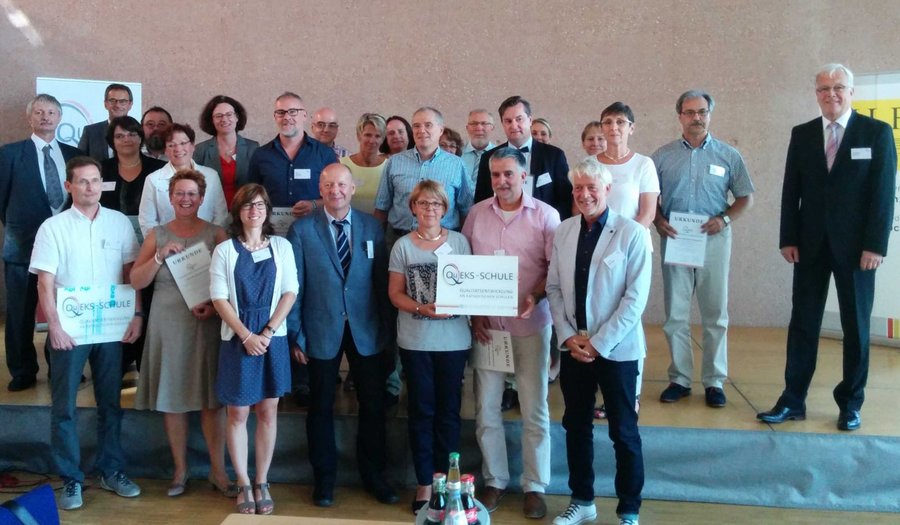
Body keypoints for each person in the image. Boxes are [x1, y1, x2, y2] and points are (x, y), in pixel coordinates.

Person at [758, 64, 897, 431]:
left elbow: (883, 196)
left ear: (851, 92)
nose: (830, 94)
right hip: (809, 245)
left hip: (857, 251)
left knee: (856, 327)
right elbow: (791, 189)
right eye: (823, 88)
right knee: (803, 323)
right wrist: (788, 237)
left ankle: (850, 403)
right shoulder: (802, 134)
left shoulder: (877, 133)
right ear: (816, 94)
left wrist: (875, 245)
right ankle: (793, 400)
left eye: (838, 87)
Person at [30, 156, 143, 510]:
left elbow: (131, 274)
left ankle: (111, 470)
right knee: (64, 407)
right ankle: (70, 478)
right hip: (70, 331)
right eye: (82, 181)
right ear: (69, 186)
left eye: (95, 180)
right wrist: (54, 327)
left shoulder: (119, 222)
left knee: (111, 404)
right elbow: (44, 283)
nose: (90, 187)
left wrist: (137, 314)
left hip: (111, 329)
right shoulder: (53, 227)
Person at [546, 157, 650, 525]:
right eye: (578, 188)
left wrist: (599, 343)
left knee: (624, 431)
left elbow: (635, 299)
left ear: (608, 189)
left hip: (618, 350)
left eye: (592, 187)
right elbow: (553, 288)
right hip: (574, 347)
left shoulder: (632, 233)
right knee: (576, 426)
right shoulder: (564, 231)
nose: (585, 194)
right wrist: (567, 335)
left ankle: (629, 510)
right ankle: (582, 500)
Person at [287, 163, 397, 508]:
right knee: (320, 406)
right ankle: (324, 480)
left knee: (373, 406)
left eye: (341, 185)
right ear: (320, 190)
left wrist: (388, 331)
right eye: (328, 185)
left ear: (352, 189)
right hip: (319, 329)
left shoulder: (372, 227)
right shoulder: (301, 230)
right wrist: (296, 333)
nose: (335, 191)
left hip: (367, 329)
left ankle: (374, 476)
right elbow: (294, 286)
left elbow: (381, 283)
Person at [462, 147, 560, 519]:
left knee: (535, 409)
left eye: (508, 174)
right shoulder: (476, 214)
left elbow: (555, 268)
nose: (501, 181)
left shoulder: (546, 216)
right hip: (488, 328)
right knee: (486, 408)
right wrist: (474, 314)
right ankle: (495, 480)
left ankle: (534, 486)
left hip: (530, 325)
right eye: (495, 175)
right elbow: (465, 266)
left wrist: (536, 296)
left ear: (523, 176)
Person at [131, 170, 233, 498]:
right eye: (180, 193)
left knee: (211, 401)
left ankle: (218, 471)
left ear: (202, 198)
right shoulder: (156, 235)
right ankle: (180, 470)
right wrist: (159, 257)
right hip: (167, 324)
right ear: (170, 197)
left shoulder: (217, 234)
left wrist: (214, 308)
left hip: (206, 323)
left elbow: (233, 281)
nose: (186, 199)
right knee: (172, 399)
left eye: (192, 194)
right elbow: (137, 281)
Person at [652, 91, 755, 408]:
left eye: (702, 112)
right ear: (679, 116)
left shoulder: (728, 155)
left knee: (715, 314)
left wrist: (724, 219)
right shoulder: (662, 156)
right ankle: (680, 379)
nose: (696, 117)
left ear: (710, 114)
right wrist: (658, 220)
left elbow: (745, 197)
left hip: (714, 240)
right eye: (689, 112)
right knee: (676, 314)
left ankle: (714, 381)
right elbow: (649, 197)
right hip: (676, 239)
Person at [374, 107, 473, 406]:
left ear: (441, 130)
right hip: (400, 242)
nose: (422, 131)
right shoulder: (395, 163)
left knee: (442, 312)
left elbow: (466, 210)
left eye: (429, 125)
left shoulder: (456, 165)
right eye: (416, 126)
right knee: (397, 311)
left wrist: (461, 248)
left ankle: (449, 373)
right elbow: (382, 208)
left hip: (445, 247)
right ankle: (394, 380)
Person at [211, 184, 298, 514]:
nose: (254, 211)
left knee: (268, 411)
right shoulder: (225, 250)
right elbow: (219, 298)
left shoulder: (282, 246)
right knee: (237, 413)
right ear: (238, 211)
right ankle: (243, 482)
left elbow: (290, 291)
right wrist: (247, 336)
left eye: (260, 205)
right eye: (248, 205)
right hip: (238, 339)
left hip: (272, 338)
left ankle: (262, 480)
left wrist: (268, 331)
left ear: (267, 210)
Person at [247, 91, 337, 407]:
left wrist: (314, 203)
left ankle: (302, 379)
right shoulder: (261, 156)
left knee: (305, 299)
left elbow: (336, 194)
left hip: (312, 239)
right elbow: (251, 196)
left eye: (293, 111)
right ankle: (272, 375)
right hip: (269, 241)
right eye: (281, 112)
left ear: (304, 115)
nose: (287, 117)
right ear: (275, 117)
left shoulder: (323, 154)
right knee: (273, 301)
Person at [387, 180, 472, 514]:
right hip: (416, 341)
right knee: (421, 410)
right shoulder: (402, 246)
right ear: (413, 207)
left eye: (436, 204)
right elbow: (395, 294)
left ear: (445, 209)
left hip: (454, 342)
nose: (429, 209)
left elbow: (471, 286)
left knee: (449, 412)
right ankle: (425, 481)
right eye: (423, 203)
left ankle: (448, 481)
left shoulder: (460, 242)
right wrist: (422, 308)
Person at [0, 94, 81, 391]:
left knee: (65, 308)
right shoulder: (9, 154)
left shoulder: (75, 154)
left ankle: (61, 364)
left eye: (51, 112)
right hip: (23, 245)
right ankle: (23, 370)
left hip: (67, 246)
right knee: (21, 312)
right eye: (39, 112)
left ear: (60, 118)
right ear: (29, 117)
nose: (45, 117)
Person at [595, 102, 660, 417]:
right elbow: (582, 208)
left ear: (631, 128)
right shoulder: (590, 164)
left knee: (629, 319)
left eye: (621, 122)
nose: (614, 127)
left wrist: (620, 247)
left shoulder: (643, 164)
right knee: (600, 317)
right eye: (608, 122)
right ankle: (603, 392)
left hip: (632, 251)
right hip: (597, 253)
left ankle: (630, 394)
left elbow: (647, 213)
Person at [100, 115, 166, 375]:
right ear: (112, 141)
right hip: (109, 251)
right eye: (119, 135)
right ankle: (116, 364)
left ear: (141, 138)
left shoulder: (157, 169)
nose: (126, 139)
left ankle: (144, 365)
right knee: (117, 303)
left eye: (132, 134)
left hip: (150, 249)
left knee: (146, 303)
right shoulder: (100, 169)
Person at [138, 123, 228, 237]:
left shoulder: (211, 176)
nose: (178, 149)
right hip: (168, 244)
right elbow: (147, 220)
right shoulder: (153, 180)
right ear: (165, 150)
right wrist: (163, 243)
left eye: (183, 143)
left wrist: (210, 240)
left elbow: (221, 215)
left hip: (208, 242)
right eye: (171, 145)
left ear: (193, 146)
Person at [194, 95, 260, 208]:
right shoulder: (200, 150)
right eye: (218, 116)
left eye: (229, 114)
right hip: (211, 212)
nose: (224, 119)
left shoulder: (253, 148)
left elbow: (259, 185)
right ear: (212, 120)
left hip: (245, 211)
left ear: (237, 117)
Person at [340, 112, 388, 214]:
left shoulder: (389, 167)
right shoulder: (342, 165)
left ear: (383, 139)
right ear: (359, 136)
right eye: (368, 135)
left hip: (380, 223)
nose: (372, 140)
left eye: (377, 136)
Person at [79, 83, 133, 162]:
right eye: (112, 101)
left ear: (130, 104)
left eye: (122, 101)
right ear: (105, 104)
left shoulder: (139, 132)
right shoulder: (90, 132)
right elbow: (79, 162)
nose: (117, 105)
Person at [461, 109, 496, 186]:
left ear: (492, 127)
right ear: (467, 128)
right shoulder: (457, 154)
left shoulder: (500, 155)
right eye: (474, 123)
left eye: (484, 123)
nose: (479, 128)